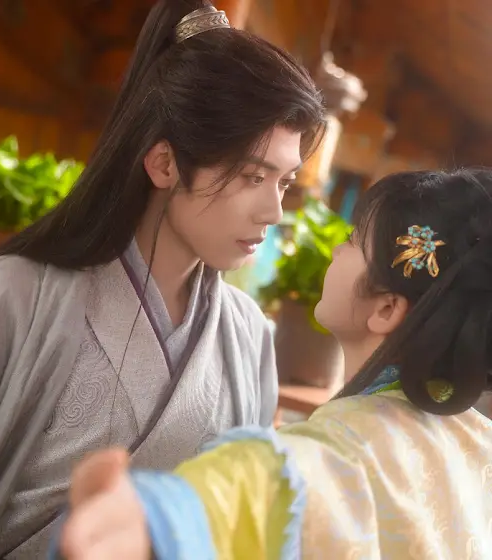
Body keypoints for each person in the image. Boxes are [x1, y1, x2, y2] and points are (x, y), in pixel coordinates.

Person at [0, 2, 325, 559]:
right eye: (252, 175)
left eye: (283, 182)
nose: (274, 211)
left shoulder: (249, 336)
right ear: (164, 164)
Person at [54, 169, 492, 559]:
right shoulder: (480, 446)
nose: (336, 251)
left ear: (386, 308)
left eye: (354, 241)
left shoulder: (307, 467)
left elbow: (232, 497)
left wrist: (144, 520)